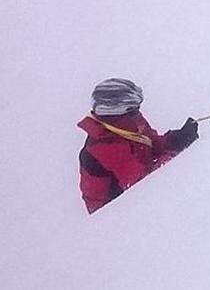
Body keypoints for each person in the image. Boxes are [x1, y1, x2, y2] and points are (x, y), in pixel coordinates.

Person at [77, 78, 198, 213]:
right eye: (134, 110)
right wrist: (177, 152)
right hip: (115, 213)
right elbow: (143, 183)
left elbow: (152, 145)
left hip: (138, 193)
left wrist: (175, 139)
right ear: (116, 113)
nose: (138, 113)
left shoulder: (128, 124)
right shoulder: (105, 148)